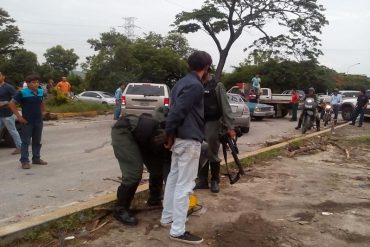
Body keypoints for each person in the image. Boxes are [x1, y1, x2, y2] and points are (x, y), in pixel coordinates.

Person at [160, 50, 212, 245]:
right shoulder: (195, 86)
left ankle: (167, 218)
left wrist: (171, 134)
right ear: (206, 67)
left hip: (180, 139)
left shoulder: (180, 83)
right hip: (189, 141)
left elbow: (173, 110)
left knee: (173, 180)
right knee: (185, 185)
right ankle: (178, 230)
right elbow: (178, 111)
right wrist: (168, 132)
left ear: (189, 65)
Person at [111, 107, 171, 225]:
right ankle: (120, 209)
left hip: (142, 138)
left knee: (157, 167)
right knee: (134, 173)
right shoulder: (162, 129)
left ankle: (154, 199)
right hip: (124, 132)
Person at [194, 77, 235, 193]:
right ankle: (202, 180)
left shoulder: (217, 86)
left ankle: (215, 180)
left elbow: (225, 107)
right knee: (200, 151)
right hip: (197, 123)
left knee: (212, 152)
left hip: (213, 123)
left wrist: (230, 126)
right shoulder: (196, 84)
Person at [8, 74, 48, 169]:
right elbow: (11, 104)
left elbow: (41, 102)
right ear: (28, 83)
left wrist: (44, 112)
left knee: (37, 141)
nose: (36, 84)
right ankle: (24, 161)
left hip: (38, 120)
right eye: (33, 82)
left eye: (37, 82)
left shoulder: (40, 91)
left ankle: (36, 158)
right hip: (27, 121)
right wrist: (19, 116)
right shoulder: (22, 93)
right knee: (25, 142)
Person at [0, 71, 22, 155]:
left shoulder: (8, 87)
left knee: (12, 131)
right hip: (0, 114)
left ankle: (20, 147)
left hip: (7, 114)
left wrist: (5, 103)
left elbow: (16, 98)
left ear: (3, 77)